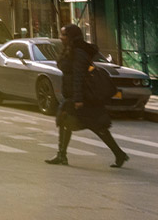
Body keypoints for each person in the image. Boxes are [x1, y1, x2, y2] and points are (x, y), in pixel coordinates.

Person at [45, 23, 128, 168]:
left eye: (64, 35)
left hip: (83, 98)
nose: (61, 37)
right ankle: (61, 155)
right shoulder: (70, 50)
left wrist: (78, 99)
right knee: (66, 122)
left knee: (97, 127)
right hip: (75, 97)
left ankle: (119, 154)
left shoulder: (78, 53)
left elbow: (78, 76)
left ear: (71, 37)